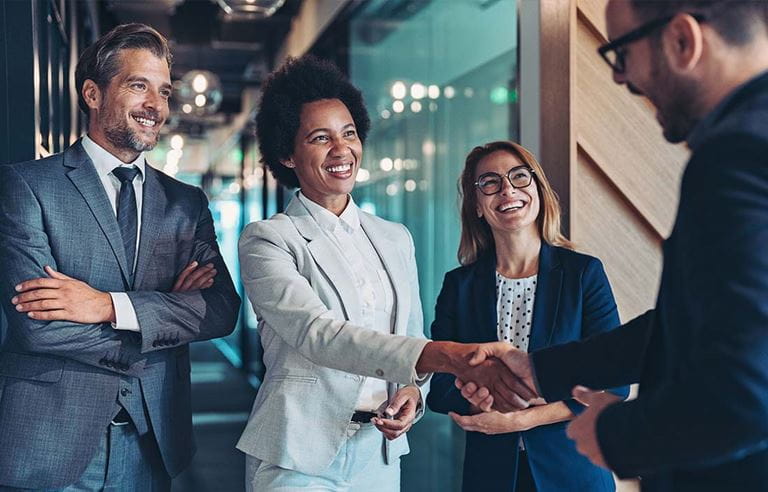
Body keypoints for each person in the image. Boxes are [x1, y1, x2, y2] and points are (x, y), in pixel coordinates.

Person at [459, 1, 768, 490]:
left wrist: (615, 433)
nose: (621, 78)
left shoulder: (738, 157)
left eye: (620, 53)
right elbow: (689, 324)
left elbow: (749, 388)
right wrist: (541, 368)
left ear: (683, 41)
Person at [0, 24, 241, 490]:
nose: (156, 105)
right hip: (52, 447)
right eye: (138, 86)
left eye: (164, 91)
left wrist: (109, 306)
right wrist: (161, 324)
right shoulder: (27, 186)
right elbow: (37, 327)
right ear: (93, 93)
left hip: (152, 443)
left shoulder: (186, 202)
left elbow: (220, 310)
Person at [427, 141, 628, 491]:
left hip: (573, 473)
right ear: (477, 205)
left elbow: (614, 383)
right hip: (491, 475)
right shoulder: (458, 286)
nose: (507, 189)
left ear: (538, 190)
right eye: (489, 182)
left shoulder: (583, 274)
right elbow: (439, 384)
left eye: (520, 177)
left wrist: (520, 419)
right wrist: (494, 399)